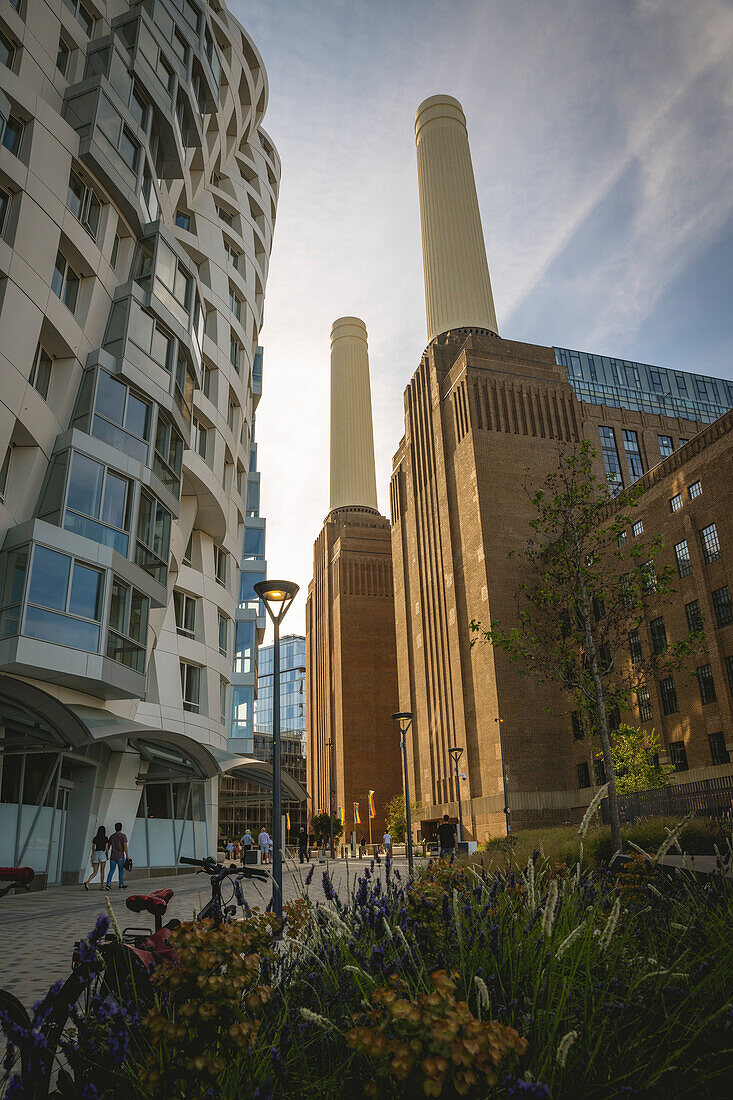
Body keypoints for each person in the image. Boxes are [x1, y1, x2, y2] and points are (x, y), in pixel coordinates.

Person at [83, 825, 108, 891]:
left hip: (96, 854)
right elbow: (106, 848)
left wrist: (92, 854)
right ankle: (102, 886)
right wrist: (107, 855)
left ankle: (87, 881)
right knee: (102, 871)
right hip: (102, 854)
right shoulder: (105, 838)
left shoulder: (95, 838)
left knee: (95, 872)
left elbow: (93, 847)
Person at [105, 823, 129, 890]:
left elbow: (108, 846)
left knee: (111, 870)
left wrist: (106, 855)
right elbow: (125, 846)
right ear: (121, 828)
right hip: (120, 856)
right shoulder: (123, 836)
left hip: (113, 856)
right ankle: (121, 885)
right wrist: (127, 856)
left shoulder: (112, 836)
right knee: (121, 871)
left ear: (115, 828)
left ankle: (108, 884)